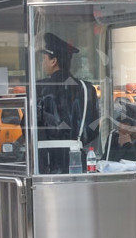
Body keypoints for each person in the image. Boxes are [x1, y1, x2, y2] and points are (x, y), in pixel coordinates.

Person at [36, 32, 100, 174]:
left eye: (44, 59)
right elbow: (93, 127)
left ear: (54, 61)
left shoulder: (38, 88)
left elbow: (28, 127)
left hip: (46, 163)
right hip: (77, 161)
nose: (42, 63)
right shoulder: (86, 88)